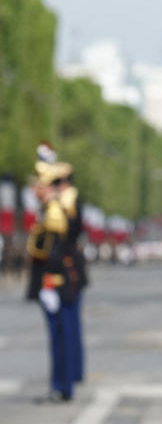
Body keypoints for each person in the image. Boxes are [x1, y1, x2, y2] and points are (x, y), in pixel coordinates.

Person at [25, 161, 81, 403]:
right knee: (59, 336)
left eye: (39, 183)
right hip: (57, 283)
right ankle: (60, 386)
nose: (35, 187)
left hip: (56, 284)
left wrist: (49, 283)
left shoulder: (53, 210)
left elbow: (55, 252)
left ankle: (61, 387)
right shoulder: (51, 207)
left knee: (60, 337)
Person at [56, 165, 88, 382]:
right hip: (71, 268)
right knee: (69, 327)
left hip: (68, 271)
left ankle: (70, 374)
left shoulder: (68, 204)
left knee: (68, 327)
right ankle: (73, 372)